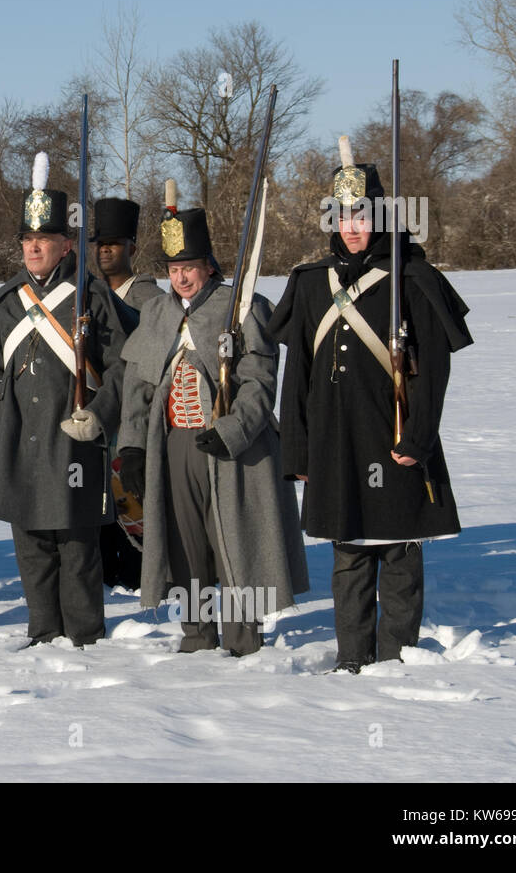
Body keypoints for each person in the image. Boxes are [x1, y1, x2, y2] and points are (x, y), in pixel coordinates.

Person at [269, 139, 472, 672]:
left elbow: (434, 373)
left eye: (361, 216)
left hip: (393, 435)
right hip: (335, 441)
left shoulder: (413, 278)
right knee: (350, 551)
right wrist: (300, 451)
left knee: (400, 552)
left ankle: (396, 657)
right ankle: (351, 657)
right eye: (342, 217)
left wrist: (419, 437)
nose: (351, 227)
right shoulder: (312, 284)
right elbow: (299, 380)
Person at [117, 187, 308, 656]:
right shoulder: (157, 313)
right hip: (175, 447)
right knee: (186, 545)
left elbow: (259, 382)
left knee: (235, 543)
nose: (182, 278)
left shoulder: (241, 307)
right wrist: (134, 447)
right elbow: (138, 390)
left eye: (190, 268)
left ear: (209, 266)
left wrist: (232, 431)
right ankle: (197, 635)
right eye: (175, 270)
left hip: (233, 448)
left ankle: (245, 638)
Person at [0, 152, 130, 648]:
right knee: (31, 543)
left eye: (44, 240)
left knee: (77, 545)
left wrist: (99, 415)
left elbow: (123, 366)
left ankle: (83, 635)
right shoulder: (6, 303)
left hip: (73, 437)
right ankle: (43, 630)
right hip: (19, 437)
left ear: (65, 245)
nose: (34, 249)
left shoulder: (92, 298)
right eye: (28, 241)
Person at [90, 196, 161, 589]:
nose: (105, 251)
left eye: (113, 244)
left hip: (135, 419)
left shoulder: (151, 302)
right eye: (100, 244)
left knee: (137, 501)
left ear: (132, 248)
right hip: (97, 416)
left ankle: (141, 577)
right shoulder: (87, 299)